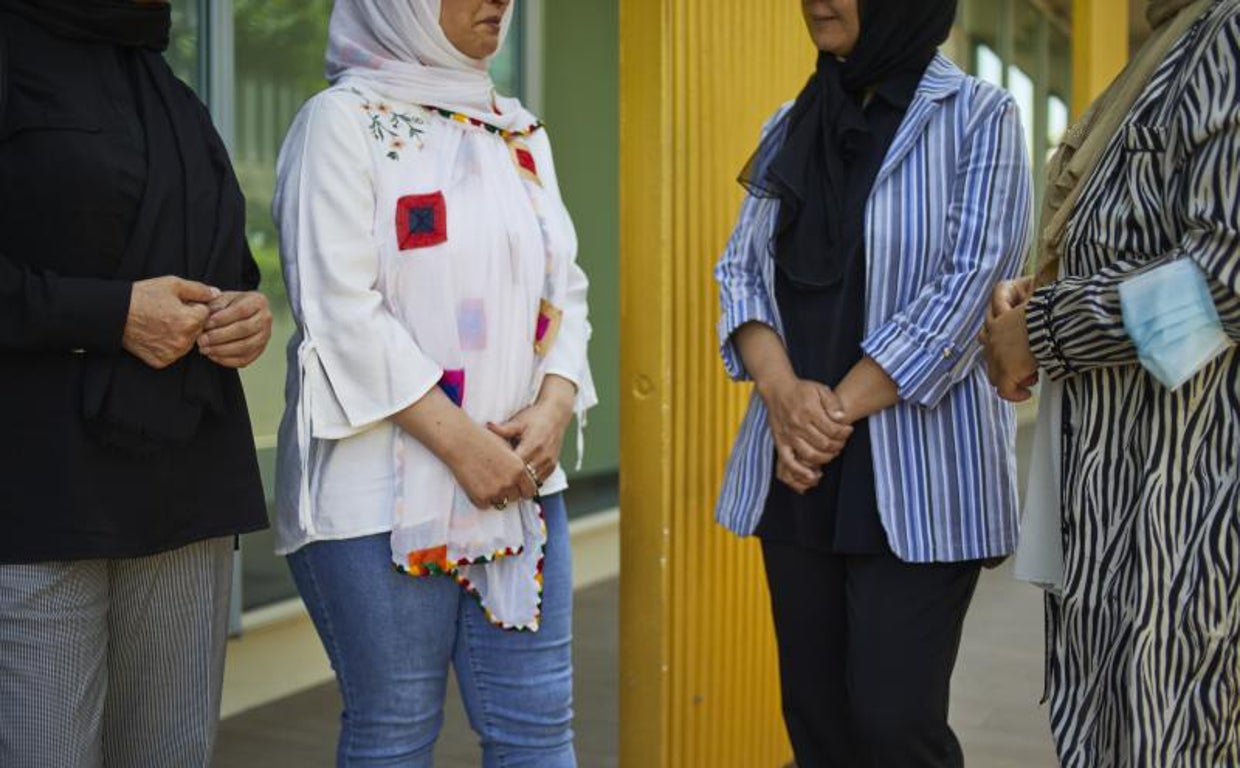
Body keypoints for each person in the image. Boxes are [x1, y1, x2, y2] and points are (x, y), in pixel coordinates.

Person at [272, 0, 595, 765]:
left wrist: (555, 402)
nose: (498, 4)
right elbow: (339, 311)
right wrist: (465, 450)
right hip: (376, 499)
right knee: (395, 732)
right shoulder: (342, 124)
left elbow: (567, 287)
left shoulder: (517, 129)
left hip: (521, 486)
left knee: (540, 731)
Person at [714, 1, 1032, 765]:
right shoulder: (792, 122)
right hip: (796, 468)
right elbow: (739, 271)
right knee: (817, 725)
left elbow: (970, 287)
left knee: (896, 727)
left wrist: (825, 416)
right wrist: (785, 396)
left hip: (917, 467)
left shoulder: (981, 118)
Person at [0, 1, 272, 765]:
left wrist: (245, 312)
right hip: (40, 494)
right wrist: (112, 315)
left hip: (184, 477)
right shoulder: (16, 48)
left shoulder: (161, 79)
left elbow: (216, 262)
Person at [983, 0, 1240, 764]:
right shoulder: (1179, 35)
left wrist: (1045, 329)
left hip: (1180, 506)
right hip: (1125, 500)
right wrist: (1048, 289)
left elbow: (1225, 279)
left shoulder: (1228, 27)